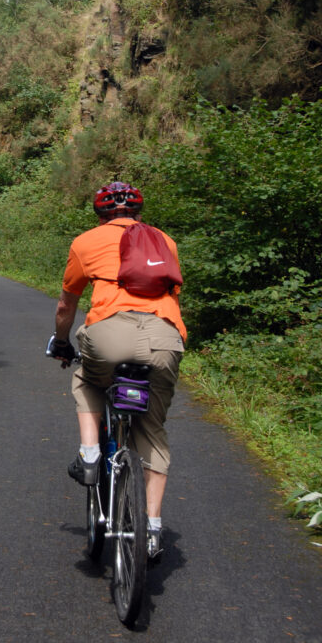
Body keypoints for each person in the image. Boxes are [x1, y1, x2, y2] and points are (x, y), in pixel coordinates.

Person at [47, 181, 186, 559]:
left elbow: (66, 305)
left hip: (109, 334)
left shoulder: (85, 242)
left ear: (100, 214)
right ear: (138, 213)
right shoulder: (164, 241)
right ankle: (153, 529)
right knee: (152, 430)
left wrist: (62, 343)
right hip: (164, 337)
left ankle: (90, 453)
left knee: (87, 377)